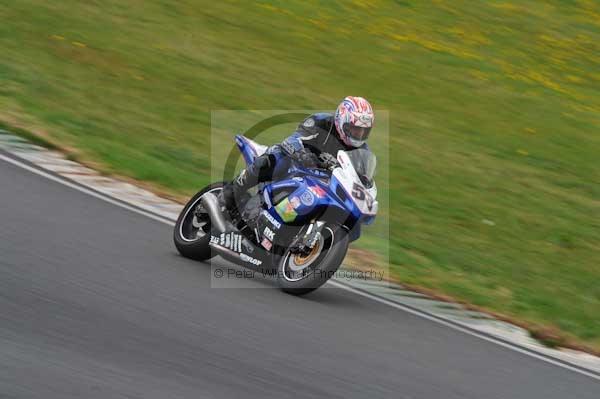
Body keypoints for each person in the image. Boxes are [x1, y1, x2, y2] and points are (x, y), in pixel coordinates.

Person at [221, 96, 375, 210]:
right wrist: (303, 154)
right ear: (342, 121)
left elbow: (360, 179)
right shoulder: (321, 122)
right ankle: (231, 192)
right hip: (298, 165)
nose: (358, 135)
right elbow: (292, 140)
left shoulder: (361, 151)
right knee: (275, 158)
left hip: (322, 184)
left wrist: (367, 185)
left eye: (363, 131)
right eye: (355, 129)